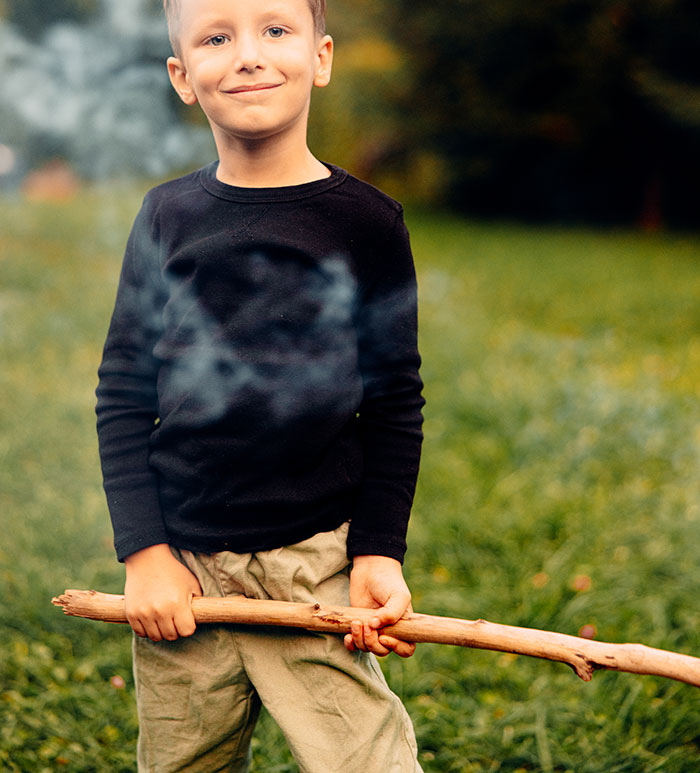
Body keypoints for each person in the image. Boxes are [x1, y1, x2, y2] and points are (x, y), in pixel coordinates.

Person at [95, 0, 425, 769]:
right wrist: (145, 552)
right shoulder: (166, 216)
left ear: (322, 56)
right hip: (186, 570)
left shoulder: (367, 223)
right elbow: (122, 392)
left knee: (367, 759)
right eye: (217, 37)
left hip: (314, 564)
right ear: (183, 76)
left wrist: (377, 552)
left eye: (275, 29)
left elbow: (393, 400)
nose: (247, 55)